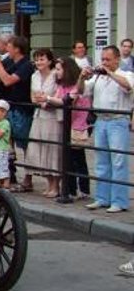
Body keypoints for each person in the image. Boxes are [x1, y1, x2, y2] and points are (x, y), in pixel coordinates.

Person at [78, 45, 133, 213]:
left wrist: (109, 72)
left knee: (118, 161)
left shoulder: (126, 74)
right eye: (102, 59)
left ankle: (119, 201)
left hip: (118, 121)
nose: (104, 62)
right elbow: (82, 91)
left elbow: (128, 86)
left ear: (117, 59)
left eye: (108, 59)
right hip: (101, 120)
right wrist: (81, 77)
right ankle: (102, 198)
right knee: (101, 162)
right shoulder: (97, 78)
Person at [0, 36, 34, 191]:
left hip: (22, 108)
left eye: (9, 46)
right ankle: (9, 176)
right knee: (8, 143)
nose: (7, 49)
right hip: (10, 106)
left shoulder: (26, 65)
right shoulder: (9, 62)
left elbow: (8, 80)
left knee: (24, 143)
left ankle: (28, 178)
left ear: (17, 49)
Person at [49, 58, 90, 200]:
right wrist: (47, 98)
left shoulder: (77, 85)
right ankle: (70, 189)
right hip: (67, 125)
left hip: (78, 126)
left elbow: (69, 99)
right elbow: (57, 98)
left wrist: (47, 98)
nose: (56, 72)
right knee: (69, 160)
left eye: (59, 69)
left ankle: (83, 189)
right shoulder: (62, 86)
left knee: (78, 159)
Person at [24, 48, 60, 197]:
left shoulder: (55, 75)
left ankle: (56, 185)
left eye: (42, 59)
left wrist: (46, 99)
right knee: (39, 148)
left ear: (49, 61)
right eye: (37, 59)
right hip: (39, 114)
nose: (39, 62)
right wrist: (39, 100)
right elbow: (33, 96)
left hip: (52, 115)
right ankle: (48, 182)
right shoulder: (34, 76)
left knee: (52, 149)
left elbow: (59, 94)